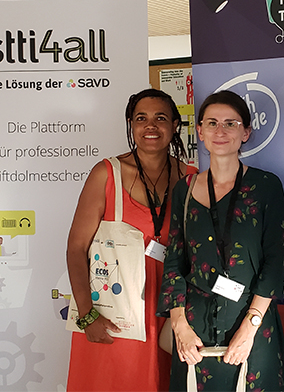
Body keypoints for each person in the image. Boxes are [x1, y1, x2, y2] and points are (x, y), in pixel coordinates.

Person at [158, 90, 284, 391]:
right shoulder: (185, 189)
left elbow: (274, 261)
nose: (221, 131)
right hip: (193, 330)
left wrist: (249, 327)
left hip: (250, 324)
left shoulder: (266, 186)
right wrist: (179, 325)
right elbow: (175, 259)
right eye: (212, 123)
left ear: (246, 132)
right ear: (200, 131)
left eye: (230, 123)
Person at [66, 88, 193, 391]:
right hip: (114, 310)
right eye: (141, 118)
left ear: (175, 125)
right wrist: (87, 315)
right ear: (130, 124)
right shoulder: (107, 174)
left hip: (168, 309)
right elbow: (76, 248)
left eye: (160, 118)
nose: (151, 126)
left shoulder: (191, 177)